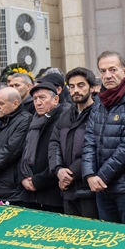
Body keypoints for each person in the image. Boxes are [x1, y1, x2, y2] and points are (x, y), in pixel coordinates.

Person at [82, 52, 125, 225]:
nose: (107, 75)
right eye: (103, 71)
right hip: (101, 187)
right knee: (107, 239)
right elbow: (90, 139)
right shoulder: (99, 100)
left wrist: (101, 176)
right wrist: (89, 174)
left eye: (112, 69)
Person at [51, 68, 98, 218]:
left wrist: (70, 173)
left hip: (89, 189)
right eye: (71, 86)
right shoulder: (65, 115)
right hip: (67, 189)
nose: (75, 90)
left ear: (92, 87)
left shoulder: (99, 113)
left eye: (81, 85)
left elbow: (97, 148)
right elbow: (54, 143)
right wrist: (58, 169)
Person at [18, 76, 66, 211]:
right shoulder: (32, 122)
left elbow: (61, 156)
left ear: (55, 99)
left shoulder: (62, 120)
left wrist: (38, 181)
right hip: (30, 193)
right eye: (35, 99)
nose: (38, 103)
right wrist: (23, 178)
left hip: (52, 194)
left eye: (42, 98)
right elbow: (22, 153)